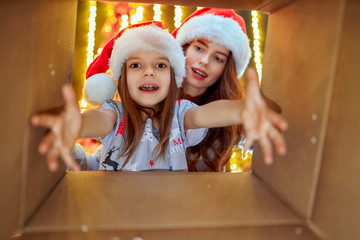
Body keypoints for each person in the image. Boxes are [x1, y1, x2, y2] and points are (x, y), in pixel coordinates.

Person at [31, 21, 288, 172]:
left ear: (173, 78)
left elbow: (205, 115)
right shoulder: (115, 113)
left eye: (160, 66)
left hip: (168, 213)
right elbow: (97, 120)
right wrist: (76, 124)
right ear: (121, 79)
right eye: (136, 66)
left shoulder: (180, 114)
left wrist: (241, 110)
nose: (149, 73)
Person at [171, 7, 284, 171]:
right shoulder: (154, 97)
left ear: (225, 69)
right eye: (199, 48)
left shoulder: (228, 120)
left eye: (218, 58)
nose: (204, 61)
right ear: (185, 48)